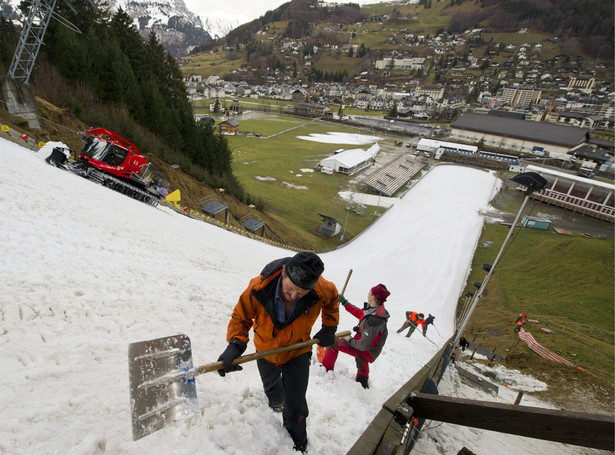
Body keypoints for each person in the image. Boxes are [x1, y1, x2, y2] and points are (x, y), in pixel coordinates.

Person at [217, 252, 339, 453]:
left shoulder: (320, 288)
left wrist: (329, 327)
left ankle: (297, 442)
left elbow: (332, 298)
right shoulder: (259, 288)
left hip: (298, 349)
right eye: (290, 289)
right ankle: (276, 402)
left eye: (301, 294)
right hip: (265, 349)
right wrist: (235, 345)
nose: (293, 296)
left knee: (296, 403)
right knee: (272, 387)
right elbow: (241, 317)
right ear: (283, 273)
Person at [321, 284, 391, 389]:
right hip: (366, 347)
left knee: (334, 342)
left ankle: (325, 369)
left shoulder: (374, 321)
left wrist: (350, 340)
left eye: (370, 292)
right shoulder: (374, 310)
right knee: (360, 358)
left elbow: (363, 346)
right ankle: (362, 381)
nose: (368, 293)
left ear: (373, 297)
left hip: (367, 351)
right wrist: (345, 303)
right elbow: (358, 312)